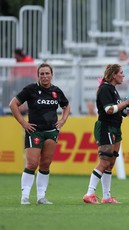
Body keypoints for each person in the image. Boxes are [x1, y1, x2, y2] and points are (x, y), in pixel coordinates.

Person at [9, 63, 71, 205]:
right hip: (34, 131)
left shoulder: (56, 91)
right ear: (38, 76)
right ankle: (25, 196)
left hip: (51, 132)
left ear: (51, 75)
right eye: (41, 74)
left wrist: (63, 120)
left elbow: (66, 106)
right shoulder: (30, 89)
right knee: (32, 163)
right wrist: (23, 123)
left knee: (45, 164)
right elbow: (13, 104)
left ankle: (41, 197)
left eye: (47, 73)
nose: (44, 76)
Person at [83, 64, 129, 204]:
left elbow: (121, 112)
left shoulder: (112, 89)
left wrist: (128, 105)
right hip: (105, 127)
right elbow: (109, 110)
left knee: (110, 163)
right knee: (104, 161)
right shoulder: (105, 88)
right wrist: (126, 102)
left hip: (115, 127)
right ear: (113, 75)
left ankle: (107, 197)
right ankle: (89, 194)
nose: (123, 75)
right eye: (121, 73)